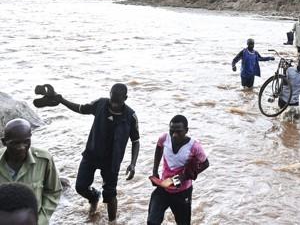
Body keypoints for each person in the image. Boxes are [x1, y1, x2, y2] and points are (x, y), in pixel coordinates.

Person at [58, 83, 140, 223]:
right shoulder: (100, 104)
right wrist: (61, 100)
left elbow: (136, 141)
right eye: (112, 100)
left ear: (125, 98)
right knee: (80, 187)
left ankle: (112, 221)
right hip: (91, 154)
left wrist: (132, 164)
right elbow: (81, 108)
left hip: (112, 161)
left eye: (117, 102)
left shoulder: (130, 116)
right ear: (109, 95)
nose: (114, 105)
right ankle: (94, 197)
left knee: (110, 195)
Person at [147, 115, 209, 225]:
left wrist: (184, 177)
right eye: (172, 131)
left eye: (179, 131)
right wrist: (155, 171)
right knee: (152, 221)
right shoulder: (164, 138)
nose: (174, 135)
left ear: (186, 130)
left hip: (182, 192)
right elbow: (159, 148)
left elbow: (205, 163)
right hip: (163, 188)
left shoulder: (194, 146)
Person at [0, 119, 61, 225]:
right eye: (15, 143)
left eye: (26, 141)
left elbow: (53, 191)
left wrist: (41, 220)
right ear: (4, 142)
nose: (21, 147)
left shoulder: (44, 160)